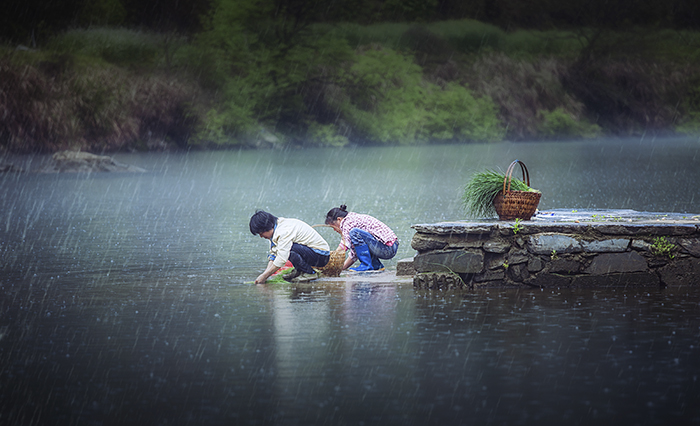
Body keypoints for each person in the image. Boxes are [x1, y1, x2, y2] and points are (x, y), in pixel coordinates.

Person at [249, 210, 330, 284]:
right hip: (309, 252)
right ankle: (300, 270)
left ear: (267, 228)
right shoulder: (275, 231)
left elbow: (281, 258)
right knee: (286, 249)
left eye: (261, 233)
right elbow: (274, 255)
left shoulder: (283, 231)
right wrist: (264, 274)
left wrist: (264, 276)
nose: (261, 236)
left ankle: (309, 273)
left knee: (288, 250)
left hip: (321, 256)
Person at [324, 205, 398, 271]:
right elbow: (355, 253)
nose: (334, 230)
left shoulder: (347, 222)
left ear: (339, 219)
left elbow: (345, 245)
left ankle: (366, 265)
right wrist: (342, 268)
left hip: (387, 248)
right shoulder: (352, 219)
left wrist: (331, 258)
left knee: (354, 232)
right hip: (390, 247)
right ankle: (376, 266)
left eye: (333, 226)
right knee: (360, 244)